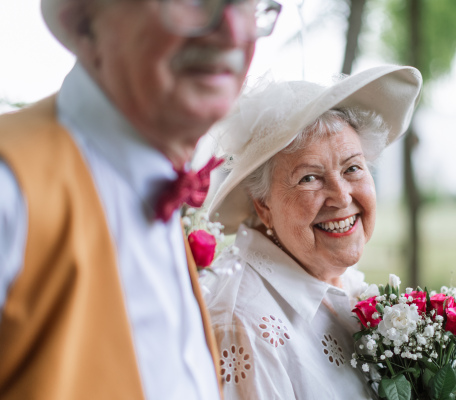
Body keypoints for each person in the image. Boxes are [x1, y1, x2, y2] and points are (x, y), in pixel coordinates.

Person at [0, 0, 281, 399]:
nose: (234, 33)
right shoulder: (10, 188)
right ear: (84, 22)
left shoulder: (156, 187)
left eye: (248, 6)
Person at [205, 65, 422, 399]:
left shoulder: (340, 283)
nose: (342, 196)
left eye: (352, 168)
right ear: (263, 206)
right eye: (309, 178)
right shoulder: (244, 326)